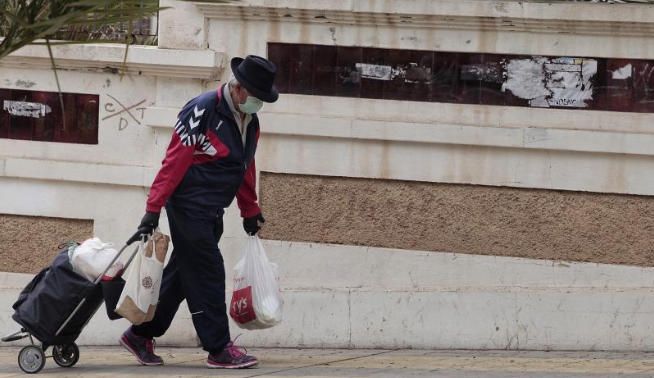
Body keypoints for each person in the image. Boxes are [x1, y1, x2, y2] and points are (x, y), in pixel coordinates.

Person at [119, 55, 278, 369]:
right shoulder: (202, 110)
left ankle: (140, 335)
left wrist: (250, 209)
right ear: (241, 90)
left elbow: (245, 166)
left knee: (182, 275)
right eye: (258, 96)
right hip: (188, 206)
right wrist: (153, 208)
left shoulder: (250, 121)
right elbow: (174, 160)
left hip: (212, 210)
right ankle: (218, 348)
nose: (260, 104)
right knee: (208, 273)